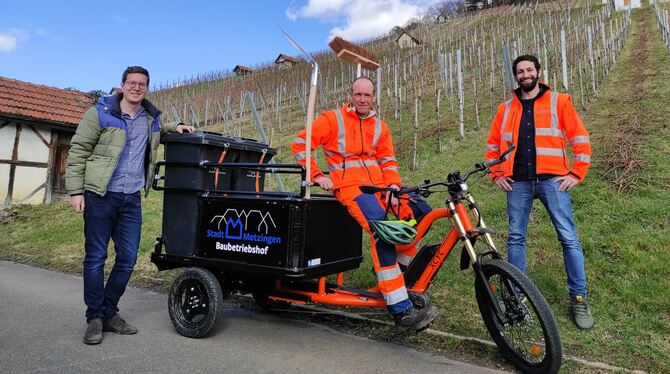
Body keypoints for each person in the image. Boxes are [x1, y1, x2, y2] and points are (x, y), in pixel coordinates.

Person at [291, 76, 438, 333]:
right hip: (351, 188)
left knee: (422, 212)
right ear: (350, 95)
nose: (362, 99)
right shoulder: (332, 119)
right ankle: (400, 309)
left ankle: (392, 273)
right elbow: (300, 144)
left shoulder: (380, 127)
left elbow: (388, 161)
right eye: (357, 94)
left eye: (367, 95)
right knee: (383, 232)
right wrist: (316, 176)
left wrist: (393, 186)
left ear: (374, 97)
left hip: (381, 188)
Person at [65, 66, 195, 345]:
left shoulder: (150, 119)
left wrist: (178, 127)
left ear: (146, 89)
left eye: (142, 84)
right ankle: (95, 318)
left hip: (131, 199)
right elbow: (78, 151)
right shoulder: (100, 113)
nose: (136, 88)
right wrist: (76, 192)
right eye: (132, 83)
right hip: (100, 196)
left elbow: (163, 129)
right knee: (96, 258)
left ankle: (109, 312)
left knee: (127, 259)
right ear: (122, 86)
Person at [485, 55, 594, 329]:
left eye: (529, 69)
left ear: (538, 72)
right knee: (515, 238)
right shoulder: (505, 108)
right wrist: (496, 173)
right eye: (520, 71)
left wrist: (576, 173)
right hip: (518, 182)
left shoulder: (560, 101)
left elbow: (580, 139)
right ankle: (517, 296)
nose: (525, 74)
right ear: (515, 76)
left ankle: (579, 298)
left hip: (553, 181)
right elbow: (492, 145)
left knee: (568, 238)